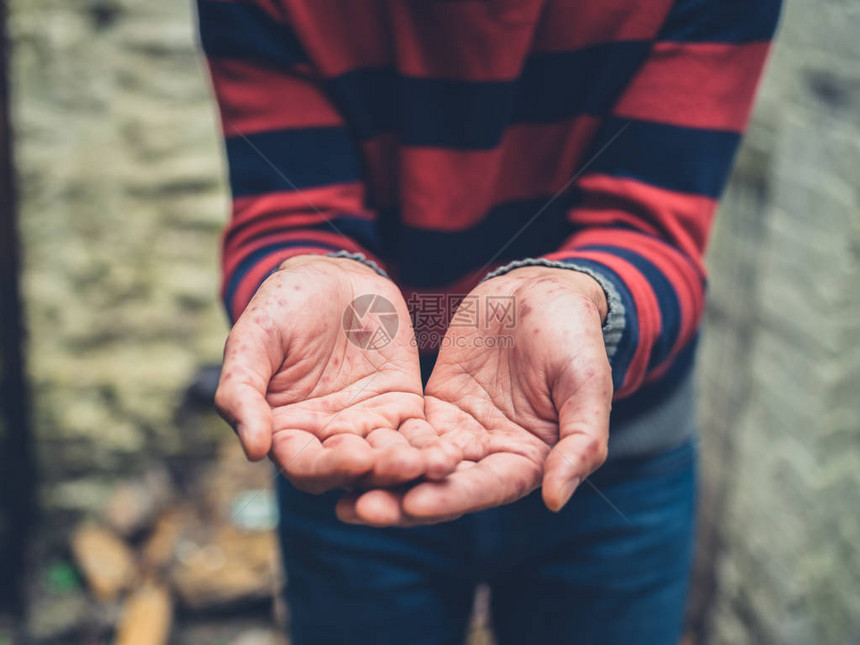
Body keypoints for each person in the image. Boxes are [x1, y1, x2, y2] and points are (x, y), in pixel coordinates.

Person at [198, 1, 781, 642]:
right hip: (350, 430)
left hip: (614, 431)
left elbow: (654, 222)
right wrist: (300, 275)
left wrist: (582, 300)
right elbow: (287, 205)